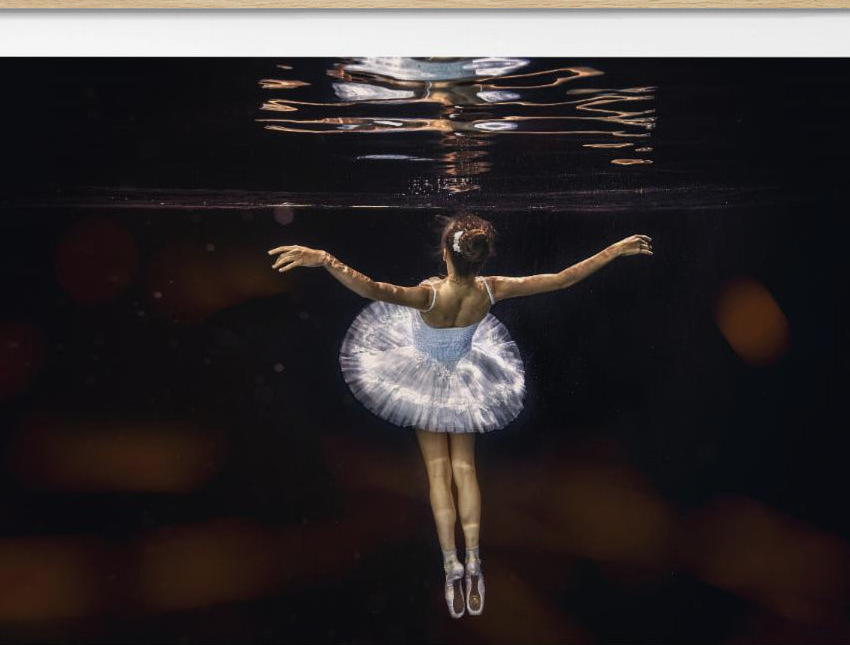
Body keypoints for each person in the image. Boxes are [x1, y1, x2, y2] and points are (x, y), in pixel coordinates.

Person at [269, 213, 652, 618]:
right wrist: (615, 250)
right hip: (467, 382)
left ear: (445, 252)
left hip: (421, 380)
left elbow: (372, 288)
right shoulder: (491, 290)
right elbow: (561, 278)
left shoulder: (429, 296)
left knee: (438, 472)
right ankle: (475, 561)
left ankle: (451, 564)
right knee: (464, 470)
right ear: (481, 258)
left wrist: (326, 259)